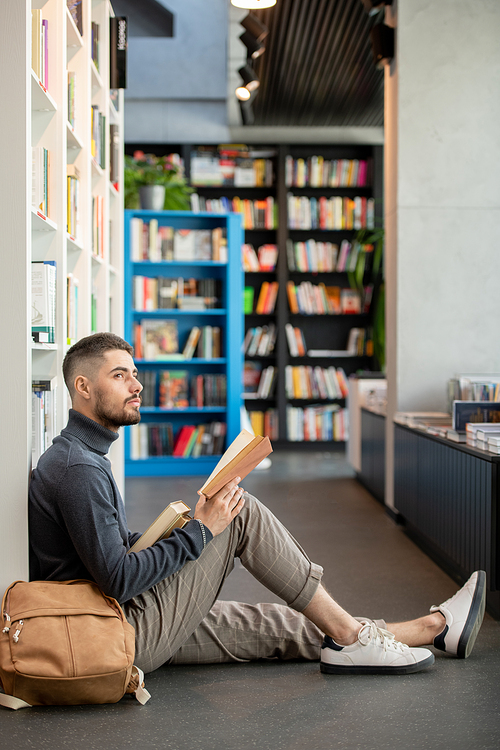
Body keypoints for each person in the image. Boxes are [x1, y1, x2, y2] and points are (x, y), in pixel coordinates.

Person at [29, 333, 486, 676]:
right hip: (117, 632)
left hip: (115, 621)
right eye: (119, 375)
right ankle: (351, 638)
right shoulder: (79, 469)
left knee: (272, 623)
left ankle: (433, 629)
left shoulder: (81, 456)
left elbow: (103, 552)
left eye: (134, 373)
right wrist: (201, 531)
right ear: (83, 387)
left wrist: (176, 530)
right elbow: (118, 579)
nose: (137, 385)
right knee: (238, 513)